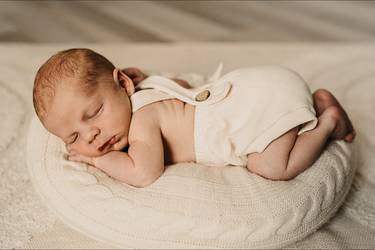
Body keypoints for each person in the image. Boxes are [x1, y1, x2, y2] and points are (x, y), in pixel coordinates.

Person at [33, 48, 356, 187]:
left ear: (123, 83)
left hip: (254, 112)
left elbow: (144, 173)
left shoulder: (142, 123)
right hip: (257, 84)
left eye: (93, 114)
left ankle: (327, 120)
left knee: (271, 167)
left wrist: (96, 162)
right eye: (72, 137)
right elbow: (184, 86)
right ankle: (311, 101)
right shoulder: (145, 87)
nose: (90, 135)